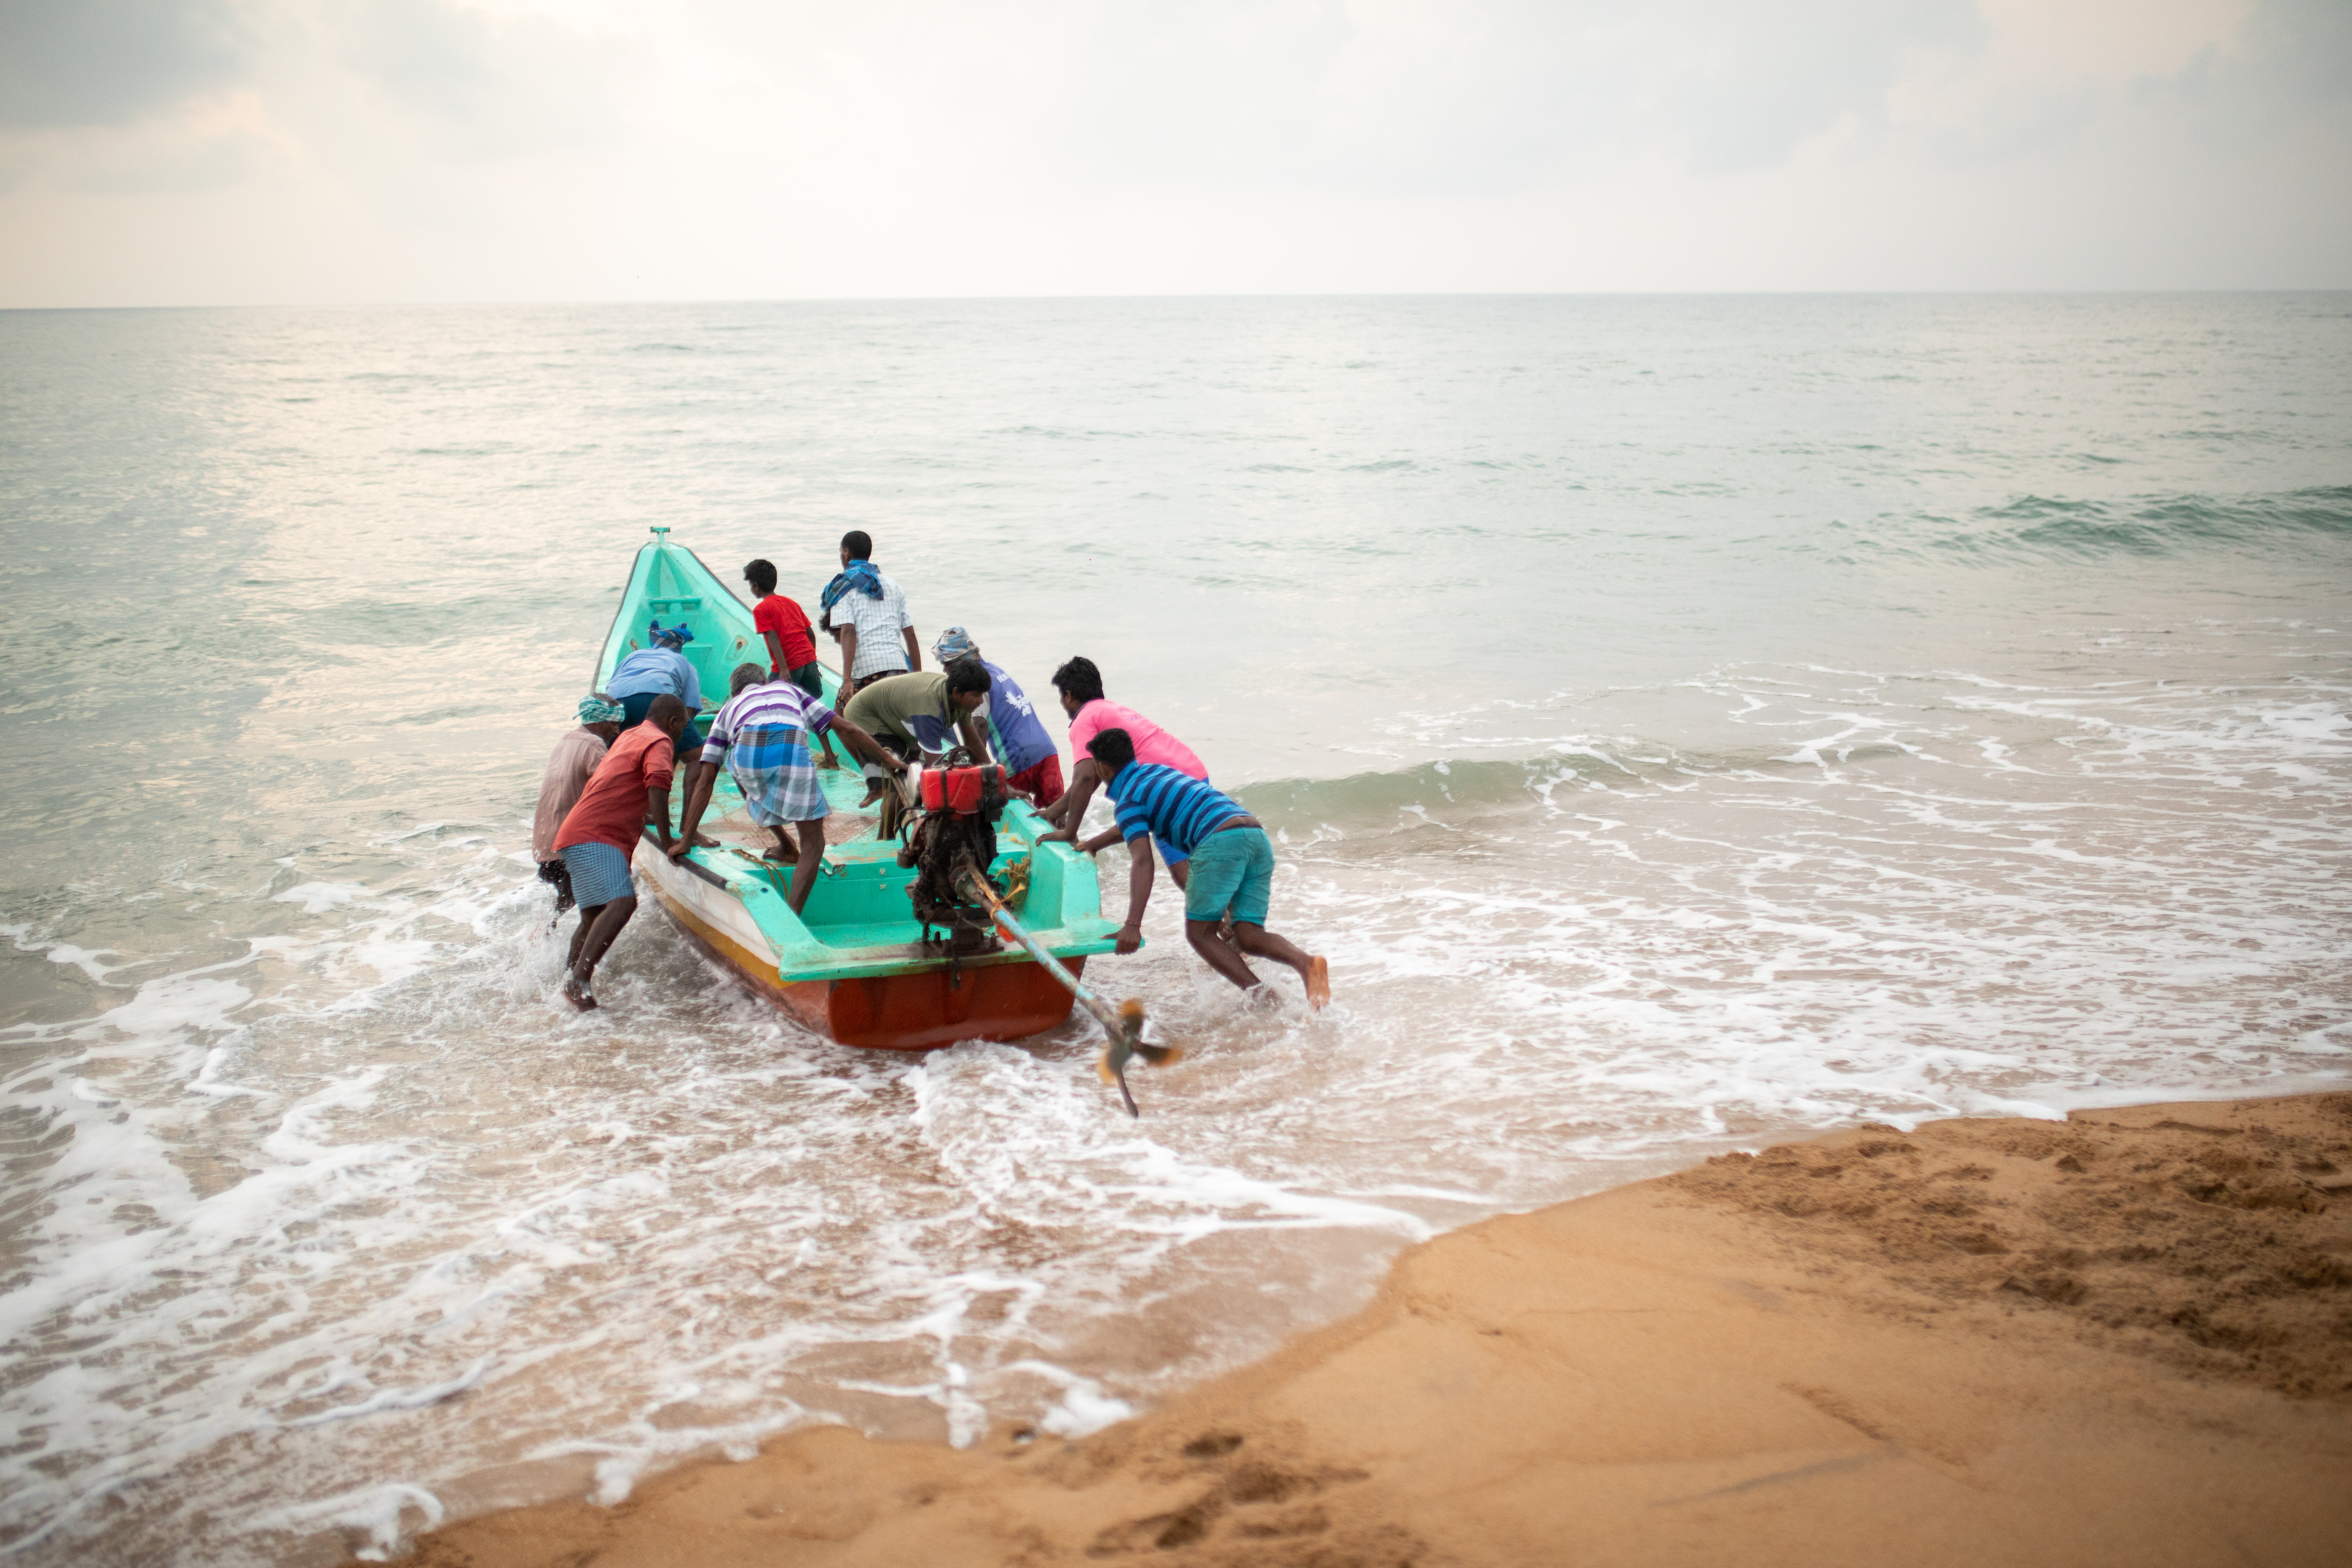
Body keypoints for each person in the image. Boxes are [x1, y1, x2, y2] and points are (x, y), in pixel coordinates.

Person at [1077, 727, 1329, 1010]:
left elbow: (1143, 860)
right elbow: (1131, 826)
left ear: (1102, 767)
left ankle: (1263, 998)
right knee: (1247, 934)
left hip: (1219, 842)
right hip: (1254, 835)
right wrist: (1094, 844)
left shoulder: (1128, 801)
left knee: (1200, 934)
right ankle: (1306, 964)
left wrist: (1132, 925)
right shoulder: (1155, 774)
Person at [671, 663, 908, 913]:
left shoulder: (728, 710)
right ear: (765, 683)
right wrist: (889, 760)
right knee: (814, 844)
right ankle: (793, 913)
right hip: (791, 748)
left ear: (735, 693)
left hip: (748, 757)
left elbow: (706, 779)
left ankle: (785, 845)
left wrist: (686, 840)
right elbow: (846, 728)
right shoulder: (788, 690)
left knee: (737, 768)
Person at [551, 693, 692, 1010]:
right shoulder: (660, 741)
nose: (682, 735)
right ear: (672, 723)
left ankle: (568, 984)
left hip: (575, 833)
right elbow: (658, 783)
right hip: (597, 834)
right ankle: (579, 982)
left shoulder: (631, 734)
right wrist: (669, 840)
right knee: (624, 902)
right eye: (682, 728)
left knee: (591, 920)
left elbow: (626, 786)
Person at [1037, 656, 1209, 886]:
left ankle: (1223, 920)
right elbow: (1093, 776)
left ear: (1068, 696)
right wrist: (1053, 812)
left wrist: (1069, 832)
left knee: (1185, 875)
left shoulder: (1084, 720)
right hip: (1193, 772)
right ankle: (1233, 917)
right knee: (1200, 868)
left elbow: (1086, 777)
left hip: (1169, 787)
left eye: (1062, 696)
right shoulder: (1111, 710)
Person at [932, 627, 1063, 808]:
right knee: (1057, 815)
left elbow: (978, 728)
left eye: (949, 663)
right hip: (1047, 751)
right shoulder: (995, 671)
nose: (945, 669)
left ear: (964, 660)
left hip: (1018, 759)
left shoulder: (975, 685)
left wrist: (977, 775)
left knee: (1008, 807)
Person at [841, 663, 993, 802]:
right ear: (957, 693)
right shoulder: (929, 711)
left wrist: (994, 781)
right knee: (903, 780)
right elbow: (936, 768)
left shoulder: (961, 699)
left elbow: (973, 742)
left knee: (914, 766)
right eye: (976, 696)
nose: (981, 701)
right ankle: (888, 832)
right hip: (866, 715)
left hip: (898, 713)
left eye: (982, 695)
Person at [532, 693, 625, 913]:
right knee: (595, 909)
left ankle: (542, 941)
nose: (617, 731)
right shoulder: (594, 744)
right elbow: (611, 791)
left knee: (563, 908)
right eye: (613, 724)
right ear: (598, 721)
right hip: (569, 845)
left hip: (545, 842)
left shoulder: (566, 740)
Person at [743, 556, 839, 767]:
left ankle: (779, 760)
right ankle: (831, 758)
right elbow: (810, 634)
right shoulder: (791, 603)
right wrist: (813, 662)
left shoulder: (761, 610)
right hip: (808, 661)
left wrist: (785, 670)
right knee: (810, 709)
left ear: (756, 587)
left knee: (768, 707)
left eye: (751, 584)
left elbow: (773, 638)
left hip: (788, 666)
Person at [818, 530, 917, 703]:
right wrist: (918, 677)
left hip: (866, 673)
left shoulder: (843, 588)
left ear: (847, 553)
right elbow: (910, 635)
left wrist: (847, 679)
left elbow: (848, 632)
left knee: (845, 713)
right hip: (900, 671)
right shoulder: (893, 586)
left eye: (841, 552)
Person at [606, 622, 705, 735]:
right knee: (693, 751)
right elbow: (690, 710)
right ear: (678, 646)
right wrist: (687, 738)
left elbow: (611, 685)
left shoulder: (634, 656)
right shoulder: (685, 663)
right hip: (655, 699)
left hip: (616, 702)